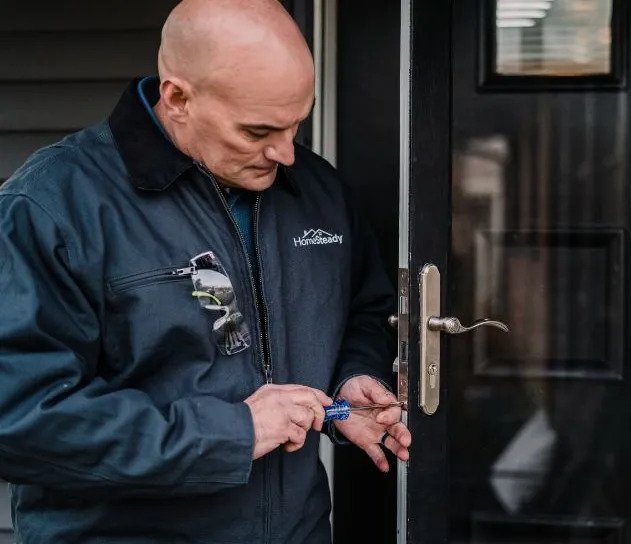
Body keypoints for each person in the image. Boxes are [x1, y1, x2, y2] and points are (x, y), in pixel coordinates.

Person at [0, 0, 411, 542]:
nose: (286, 153)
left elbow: (362, 306)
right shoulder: (54, 205)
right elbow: (21, 417)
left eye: (296, 125)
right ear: (178, 99)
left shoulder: (317, 191)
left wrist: (351, 381)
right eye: (258, 130)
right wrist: (233, 433)